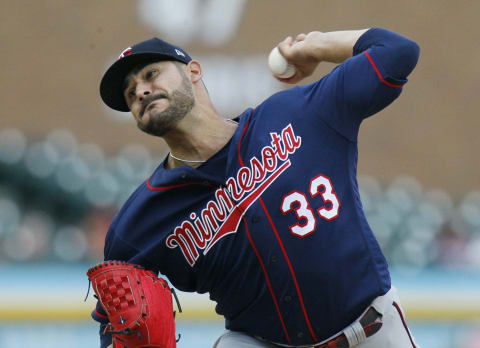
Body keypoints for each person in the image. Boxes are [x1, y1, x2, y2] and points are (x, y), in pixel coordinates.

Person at [92, 27, 420, 348]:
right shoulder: (137, 225)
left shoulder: (298, 115)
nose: (140, 91)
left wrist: (316, 46)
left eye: (150, 74)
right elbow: (113, 324)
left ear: (193, 71)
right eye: (130, 92)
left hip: (371, 329)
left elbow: (397, 52)